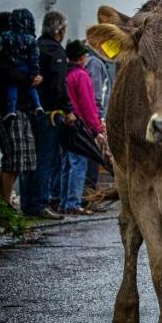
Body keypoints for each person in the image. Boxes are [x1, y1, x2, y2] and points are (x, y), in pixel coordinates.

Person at [21, 10, 74, 220]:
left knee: (29, 159)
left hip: (29, 110)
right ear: (59, 29)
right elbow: (59, 87)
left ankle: (27, 203)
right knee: (46, 159)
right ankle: (40, 203)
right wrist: (68, 110)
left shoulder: (35, 46)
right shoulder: (56, 52)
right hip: (49, 114)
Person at [0, 11, 39, 207]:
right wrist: (31, 78)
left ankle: (3, 203)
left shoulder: (9, 47)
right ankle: (3, 205)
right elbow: (8, 73)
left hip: (15, 108)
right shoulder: (3, 50)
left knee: (16, 161)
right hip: (6, 111)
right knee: (13, 160)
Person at [60, 40, 103, 216]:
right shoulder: (81, 76)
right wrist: (97, 129)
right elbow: (88, 105)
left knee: (66, 164)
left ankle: (63, 201)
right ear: (81, 57)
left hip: (65, 123)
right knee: (79, 164)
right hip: (79, 125)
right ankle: (73, 203)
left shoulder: (65, 74)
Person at [0, 8, 43, 117]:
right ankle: (37, 105)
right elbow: (11, 75)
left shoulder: (5, 44)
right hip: (9, 109)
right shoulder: (28, 40)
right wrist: (33, 76)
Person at [82, 44, 113, 192]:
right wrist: (99, 119)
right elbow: (96, 94)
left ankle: (85, 194)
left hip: (88, 117)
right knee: (93, 156)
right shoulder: (95, 63)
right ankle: (88, 194)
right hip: (93, 118)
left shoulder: (91, 62)